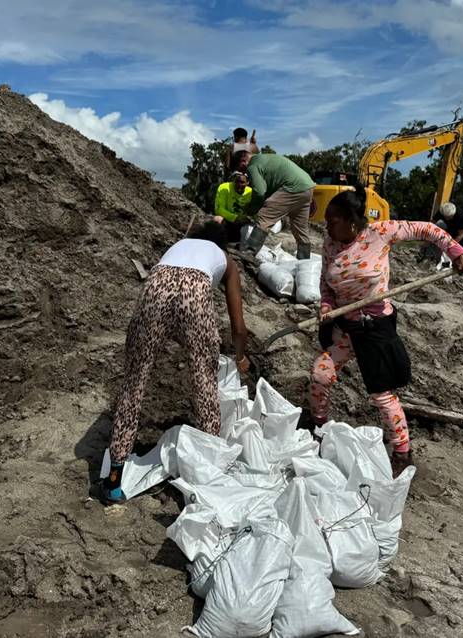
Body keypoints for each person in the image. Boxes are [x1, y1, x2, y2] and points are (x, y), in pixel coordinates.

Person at [311, 188, 463, 477]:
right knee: (321, 373)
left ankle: (402, 453)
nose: (327, 227)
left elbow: (427, 229)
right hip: (345, 325)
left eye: (333, 221)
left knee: (381, 394)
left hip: (374, 327)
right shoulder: (330, 244)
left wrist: (456, 251)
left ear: (351, 221)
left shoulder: (380, 233)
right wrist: (326, 304)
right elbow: (326, 282)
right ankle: (318, 428)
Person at [102, 221, 249, 504]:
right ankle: (207, 479)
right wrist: (240, 356)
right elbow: (238, 326)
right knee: (205, 386)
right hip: (194, 296)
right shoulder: (225, 259)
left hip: (155, 289)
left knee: (134, 384)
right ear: (223, 244)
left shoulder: (178, 247)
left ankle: (113, 481)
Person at [231, 138, 315, 259]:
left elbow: (260, 192)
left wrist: (251, 209)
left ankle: (249, 252)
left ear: (243, 160)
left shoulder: (253, 165)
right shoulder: (263, 159)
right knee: (300, 228)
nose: (242, 172)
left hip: (292, 186)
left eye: (240, 168)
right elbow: (267, 189)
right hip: (307, 187)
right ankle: (304, 259)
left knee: (264, 216)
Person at [213, 172, 253, 242]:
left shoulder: (251, 192)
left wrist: (247, 218)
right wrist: (235, 218)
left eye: (242, 182)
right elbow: (219, 209)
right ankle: (218, 241)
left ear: (247, 183)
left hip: (242, 224)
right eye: (237, 181)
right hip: (228, 220)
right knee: (217, 219)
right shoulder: (224, 187)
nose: (239, 185)